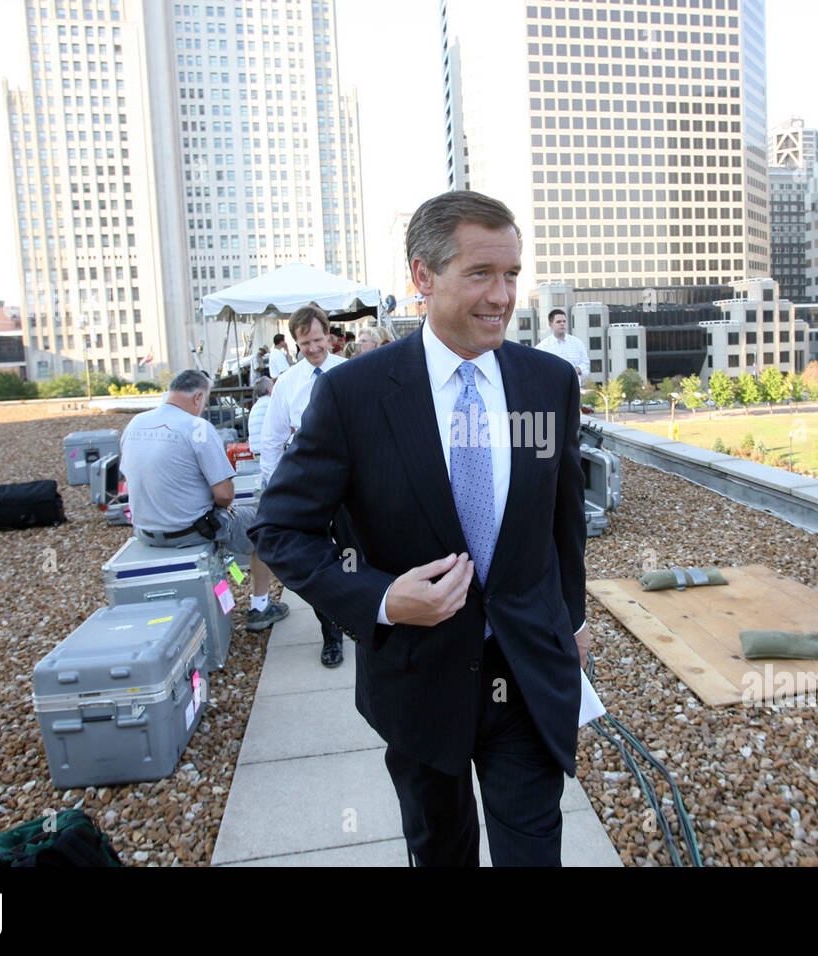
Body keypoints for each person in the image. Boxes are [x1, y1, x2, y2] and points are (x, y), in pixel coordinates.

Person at [250, 189, 590, 866]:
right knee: (441, 850)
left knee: (535, 853)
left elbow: (563, 522)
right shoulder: (353, 396)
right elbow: (282, 530)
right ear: (423, 277)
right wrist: (379, 599)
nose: (502, 296)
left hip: (526, 675)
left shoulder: (548, 383)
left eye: (512, 275)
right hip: (417, 681)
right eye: (481, 274)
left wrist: (572, 624)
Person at [119, 369, 289, 633]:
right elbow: (225, 495)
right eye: (207, 400)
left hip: (145, 530)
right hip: (189, 530)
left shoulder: (136, 423)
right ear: (198, 396)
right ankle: (260, 606)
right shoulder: (197, 428)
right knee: (265, 527)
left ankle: (230, 593)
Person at [258, 304, 347, 667]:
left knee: (365, 552)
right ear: (295, 343)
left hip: (354, 482)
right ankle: (332, 635)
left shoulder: (351, 372)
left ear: (329, 334)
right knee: (320, 563)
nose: (312, 349)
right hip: (311, 487)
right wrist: (273, 487)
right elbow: (271, 439)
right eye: (304, 343)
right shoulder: (288, 385)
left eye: (316, 340)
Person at [535, 308, 590, 381]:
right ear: (550, 324)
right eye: (558, 322)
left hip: (574, 387)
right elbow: (537, 370)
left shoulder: (577, 343)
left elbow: (586, 365)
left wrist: (575, 370)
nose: (562, 324)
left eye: (564, 321)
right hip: (552, 388)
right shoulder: (542, 348)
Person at [247, 375, 273, 456]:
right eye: (273, 385)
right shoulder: (270, 403)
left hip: (256, 451)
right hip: (267, 452)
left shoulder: (256, 406)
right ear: (269, 389)